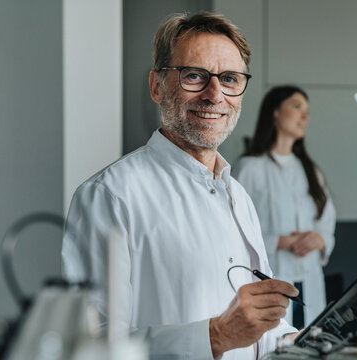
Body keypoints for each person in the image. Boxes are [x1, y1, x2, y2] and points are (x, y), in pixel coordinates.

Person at [62, 12, 298, 359]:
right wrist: (214, 337)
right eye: (194, 76)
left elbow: (257, 329)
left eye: (230, 79)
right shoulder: (110, 195)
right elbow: (89, 347)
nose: (215, 94)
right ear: (157, 86)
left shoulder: (239, 197)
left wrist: (298, 342)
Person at [232, 85, 336, 329]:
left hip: (309, 283)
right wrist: (279, 242)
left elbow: (327, 223)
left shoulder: (311, 171)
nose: (304, 116)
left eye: (307, 111)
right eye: (297, 106)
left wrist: (319, 240)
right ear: (275, 112)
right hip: (270, 279)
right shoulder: (249, 169)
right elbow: (233, 231)